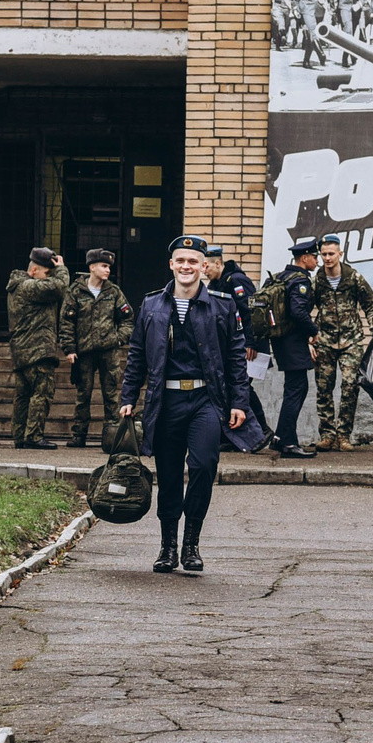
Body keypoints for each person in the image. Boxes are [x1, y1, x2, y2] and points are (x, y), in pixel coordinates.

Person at [120, 236, 251, 574]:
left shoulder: (222, 305)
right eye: (181, 261)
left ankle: (191, 543)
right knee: (167, 474)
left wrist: (239, 401)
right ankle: (168, 547)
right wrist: (128, 397)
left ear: (203, 267)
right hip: (165, 401)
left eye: (193, 261)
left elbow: (237, 357)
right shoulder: (151, 305)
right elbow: (137, 354)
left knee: (205, 466)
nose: (187, 267)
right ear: (171, 265)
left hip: (205, 400)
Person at [310, 233, 373, 450]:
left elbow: (371, 304)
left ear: (341, 254)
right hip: (325, 340)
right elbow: (303, 309)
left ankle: (344, 435)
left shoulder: (354, 277)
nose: (327, 258)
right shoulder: (317, 280)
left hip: (352, 341)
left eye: (331, 254)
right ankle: (327, 434)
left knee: (350, 387)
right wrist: (309, 337)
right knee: (324, 388)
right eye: (324, 254)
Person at [60, 248, 134, 449]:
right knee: (83, 395)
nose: (107, 270)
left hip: (108, 351)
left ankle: (111, 438)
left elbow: (128, 318)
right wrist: (69, 348)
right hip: (84, 352)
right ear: (92, 267)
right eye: (103, 266)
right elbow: (67, 322)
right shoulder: (75, 291)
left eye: (109, 266)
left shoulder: (113, 292)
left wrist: (118, 339)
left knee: (111, 395)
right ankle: (79, 435)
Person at [5, 246, 67, 450]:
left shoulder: (18, 287)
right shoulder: (29, 287)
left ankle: (20, 435)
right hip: (37, 350)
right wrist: (61, 269)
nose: (48, 277)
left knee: (23, 395)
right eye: (46, 273)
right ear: (33, 271)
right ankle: (33, 436)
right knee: (42, 392)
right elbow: (59, 287)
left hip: (23, 351)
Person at [265, 238, 320, 457]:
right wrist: (313, 331)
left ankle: (280, 437)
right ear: (304, 258)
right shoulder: (300, 281)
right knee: (295, 390)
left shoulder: (281, 276)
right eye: (314, 256)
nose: (317, 260)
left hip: (281, 340)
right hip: (292, 342)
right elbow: (298, 311)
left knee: (296, 389)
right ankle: (288, 443)